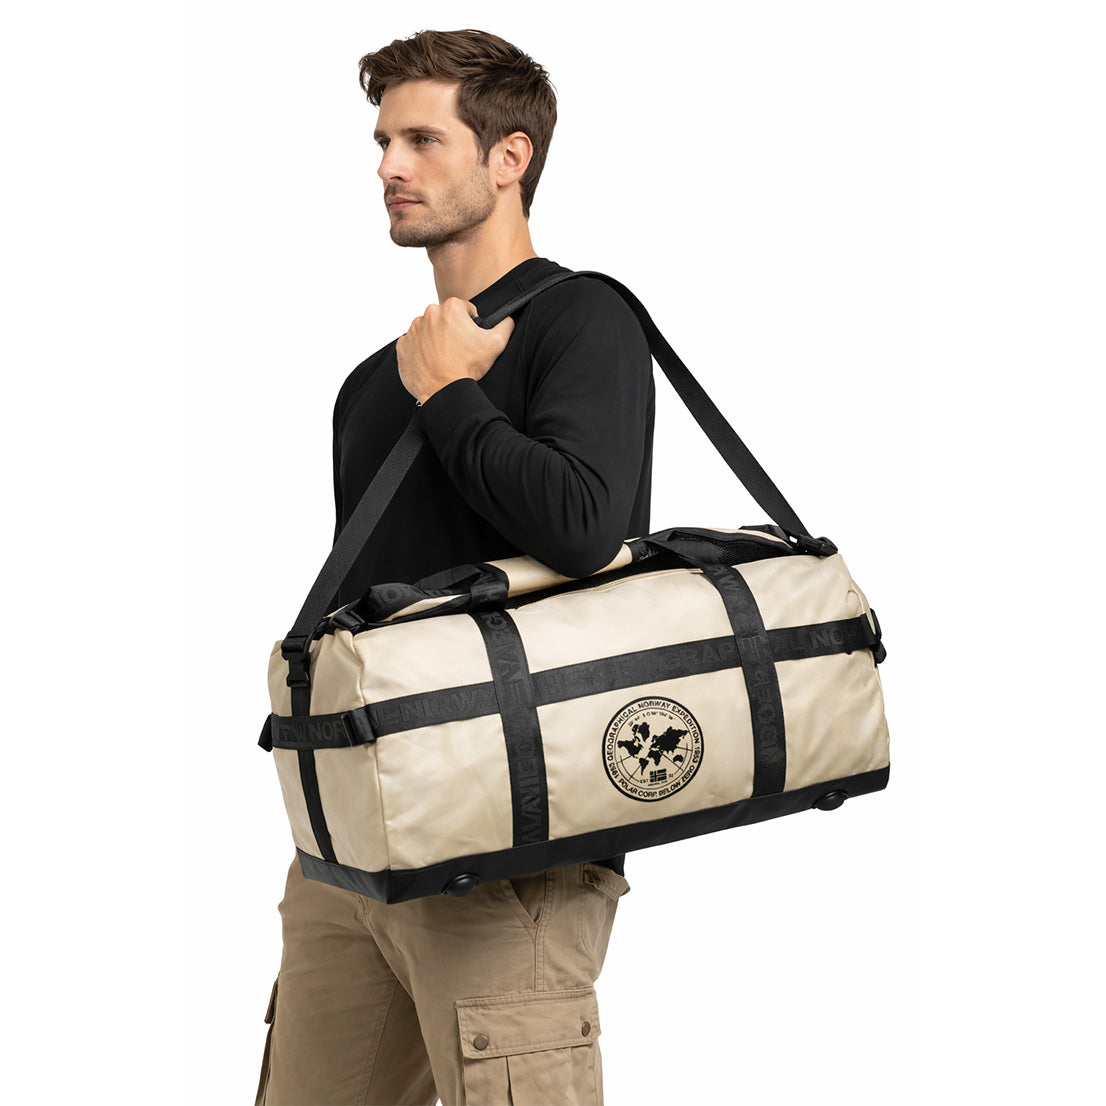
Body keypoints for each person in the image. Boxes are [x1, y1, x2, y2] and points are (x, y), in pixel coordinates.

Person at [256, 28, 655, 1106]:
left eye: (422, 140)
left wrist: (450, 393)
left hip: (514, 841)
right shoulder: (367, 383)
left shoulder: (583, 319)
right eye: (382, 142)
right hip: (352, 846)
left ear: (508, 157)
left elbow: (582, 530)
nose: (390, 165)